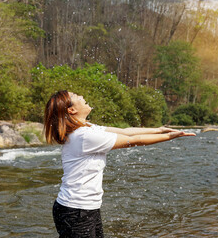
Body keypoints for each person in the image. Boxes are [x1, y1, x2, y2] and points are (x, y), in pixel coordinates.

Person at [44, 90, 195, 238]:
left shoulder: (88, 128)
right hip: (77, 211)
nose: (82, 96)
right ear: (72, 110)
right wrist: (169, 136)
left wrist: (159, 130)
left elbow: (127, 132)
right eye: (76, 96)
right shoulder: (85, 136)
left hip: (83, 208)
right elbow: (134, 141)